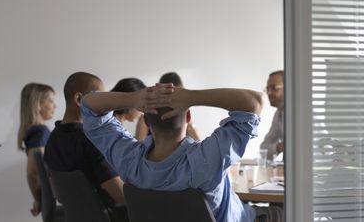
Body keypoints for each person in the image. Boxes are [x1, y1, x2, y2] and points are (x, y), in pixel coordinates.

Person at [81, 83, 271, 221]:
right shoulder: (206, 158)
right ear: (189, 116)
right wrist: (192, 96)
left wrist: (133, 98)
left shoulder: (129, 161)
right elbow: (256, 101)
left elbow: (88, 105)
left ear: (146, 121)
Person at [43, 72, 127, 221]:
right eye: (99, 98)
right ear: (79, 99)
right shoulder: (91, 140)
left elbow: (60, 196)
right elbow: (121, 196)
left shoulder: (53, 139)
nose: (104, 105)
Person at [17, 83, 56, 216]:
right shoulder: (40, 132)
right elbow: (33, 173)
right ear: (38, 105)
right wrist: (39, 200)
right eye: (51, 101)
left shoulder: (35, 132)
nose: (54, 106)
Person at [135, 72, 201, 140]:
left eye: (176, 94)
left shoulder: (184, 117)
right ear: (160, 91)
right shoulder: (146, 117)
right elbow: (139, 148)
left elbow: (198, 144)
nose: (172, 98)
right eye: (168, 92)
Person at [260, 70, 284, 160]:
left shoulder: (304, 113)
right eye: (267, 89)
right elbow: (263, 150)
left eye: (274, 88)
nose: (269, 93)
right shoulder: (278, 115)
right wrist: (280, 146)